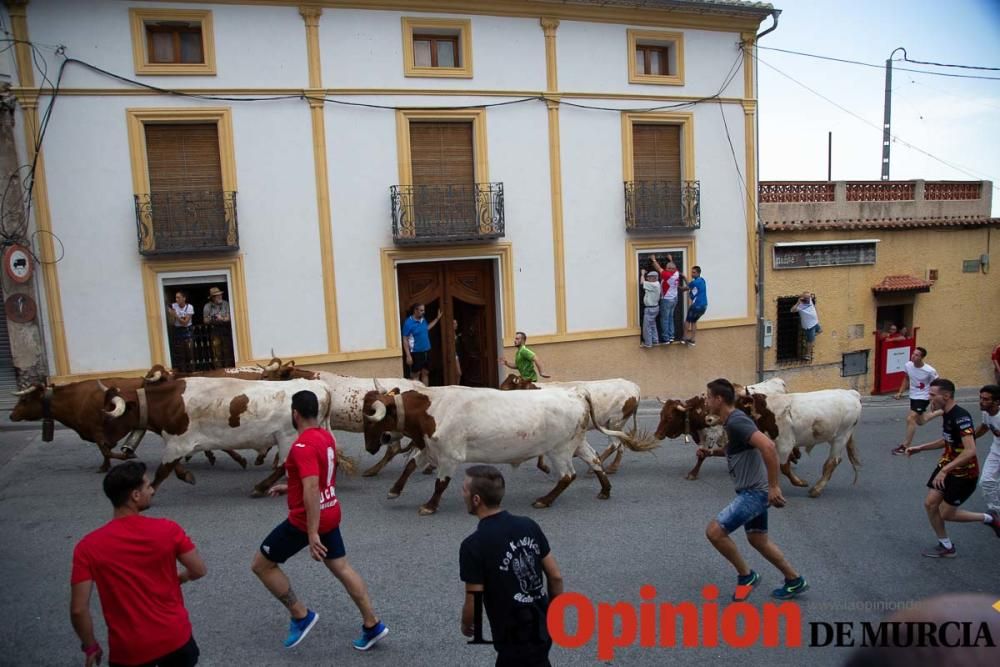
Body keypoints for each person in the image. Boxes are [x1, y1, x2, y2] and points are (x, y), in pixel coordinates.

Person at [251, 390, 388, 651]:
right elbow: (318, 478)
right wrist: (289, 487)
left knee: (261, 565)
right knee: (343, 568)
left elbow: (311, 488)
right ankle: (373, 624)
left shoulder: (301, 446)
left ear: (295, 414)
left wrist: (312, 533)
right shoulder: (325, 437)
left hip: (307, 521)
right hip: (331, 510)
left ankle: (300, 615)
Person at [70, 461, 206, 667]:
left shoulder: (87, 547)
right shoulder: (168, 529)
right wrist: (180, 578)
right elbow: (198, 569)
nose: (152, 490)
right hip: (175, 639)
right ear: (135, 495)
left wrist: (90, 646)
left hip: (129, 651)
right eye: (148, 486)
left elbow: (78, 609)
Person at [700, 378, 808, 601]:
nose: (706, 400)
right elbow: (735, 451)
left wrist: (774, 486)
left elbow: (767, 446)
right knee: (758, 540)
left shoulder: (737, 421)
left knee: (714, 532)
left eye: (708, 396)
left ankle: (746, 576)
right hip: (751, 491)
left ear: (719, 399)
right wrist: (710, 453)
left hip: (754, 493)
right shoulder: (732, 422)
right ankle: (794, 580)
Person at [459, 465, 563, 666]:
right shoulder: (528, 524)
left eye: (464, 489)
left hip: (512, 634)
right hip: (541, 625)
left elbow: (474, 597)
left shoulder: (474, 544)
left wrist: (466, 623)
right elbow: (555, 576)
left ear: (476, 499)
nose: (462, 493)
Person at [906, 378, 1000, 557]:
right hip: (947, 465)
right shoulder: (946, 413)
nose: (930, 397)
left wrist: (944, 470)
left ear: (946, 396)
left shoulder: (961, 417)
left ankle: (989, 518)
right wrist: (920, 447)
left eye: (933, 395)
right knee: (930, 504)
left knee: (947, 513)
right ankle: (947, 546)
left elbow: (970, 450)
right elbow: (947, 440)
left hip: (964, 473)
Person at [892, 347, 943, 455]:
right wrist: (900, 392)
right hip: (913, 395)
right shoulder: (908, 365)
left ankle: (905, 446)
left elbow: (937, 384)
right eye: (913, 354)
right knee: (920, 421)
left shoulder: (929, 371)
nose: (913, 356)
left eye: (917, 355)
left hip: (924, 397)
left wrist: (933, 398)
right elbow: (906, 378)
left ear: (922, 358)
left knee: (911, 418)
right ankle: (941, 412)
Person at [974, 384, 1000, 515]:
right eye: (981, 398)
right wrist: (968, 439)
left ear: (996, 402)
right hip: (996, 451)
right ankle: (995, 512)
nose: (981, 401)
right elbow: (984, 427)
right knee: (986, 482)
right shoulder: (986, 412)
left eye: (986, 399)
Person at [402, 303, 442, 385]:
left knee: (425, 373)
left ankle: (425, 393)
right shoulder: (408, 323)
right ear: (415, 310)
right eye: (421, 310)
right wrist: (408, 355)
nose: (423, 312)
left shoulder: (423, 320)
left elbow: (426, 328)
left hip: (427, 351)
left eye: (423, 310)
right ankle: (415, 395)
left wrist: (437, 319)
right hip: (416, 352)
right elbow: (405, 339)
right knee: (415, 375)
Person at [650, 254, 681, 343]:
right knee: (671, 317)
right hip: (674, 298)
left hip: (667, 300)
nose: (666, 269)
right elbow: (672, 266)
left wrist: (653, 260)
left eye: (667, 268)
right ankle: (671, 336)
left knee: (664, 319)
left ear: (669, 269)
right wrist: (671, 259)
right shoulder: (676, 273)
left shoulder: (667, 275)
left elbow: (658, 268)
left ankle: (666, 338)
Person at [202, 286, 232, 369]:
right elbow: (205, 320)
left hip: (225, 329)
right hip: (215, 329)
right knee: (217, 351)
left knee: (227, 350)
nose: (220, 296)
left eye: (220, 295)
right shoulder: (207, 306)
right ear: (212, 298)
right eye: (217, 295)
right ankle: (219, 370)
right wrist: (213, 318)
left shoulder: (226, 304)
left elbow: (230, 317)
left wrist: (222, 318)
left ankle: (228, 369)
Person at [678, 265, 707, 346]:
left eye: (694, 272)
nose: (692, 274)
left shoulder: (695, 282)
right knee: (694, 321)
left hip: (696, 305)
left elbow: (686, 287)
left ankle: (684, 338)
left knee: (688, 320)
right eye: (692, 272)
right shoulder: (702, 280)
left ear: (698, 273)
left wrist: (678, 287)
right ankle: (693, 340)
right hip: (704, 306)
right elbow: (690, 287)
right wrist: (684, 278)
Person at [790, 292, 821, 361]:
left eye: (808, 297)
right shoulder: (800, 306)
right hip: (809, 326)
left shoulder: (810, 300)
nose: (808, 299)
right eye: (806, 298)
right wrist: (798, 302)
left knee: (820, 331)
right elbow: (792, 310)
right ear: (802, 298)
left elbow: (811, 295)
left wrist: (810, 296)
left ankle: (808, 337)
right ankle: (808, 355)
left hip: (815, 322)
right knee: (810, 341)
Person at [168, 291, 194, 371]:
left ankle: (191, 371)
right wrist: (172, 315)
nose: (177, 299)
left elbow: (185, 323)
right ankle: (182, 371)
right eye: (176, 297)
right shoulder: (173, 306)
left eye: (179, 297)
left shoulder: (189, 307)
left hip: (187, 330)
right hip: (177, 330)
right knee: (180, 353)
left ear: (184, 298)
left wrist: (176, 316)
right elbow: (172, 322)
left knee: (189, 353)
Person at [640, 269, 660, 348]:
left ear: (654, 278)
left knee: (647, 326)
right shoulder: (656, 283)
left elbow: (642, 282)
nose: (647, 279)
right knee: (652, 325)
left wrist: (642, 274)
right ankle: (655, 340)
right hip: (654, 308)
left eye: (649, 277)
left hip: (650, 309)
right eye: (647, 277)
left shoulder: (654, 285)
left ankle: (648, 343)